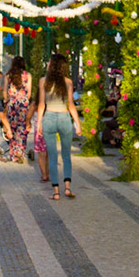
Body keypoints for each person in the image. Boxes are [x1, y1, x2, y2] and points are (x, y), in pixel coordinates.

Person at [35, 52, 83, 200]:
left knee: (53, 156)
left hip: (49, 117)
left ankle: (56, 192)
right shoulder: (68, 82)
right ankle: (67, 188)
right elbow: (71, 105)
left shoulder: (43, 81)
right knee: (66, 155)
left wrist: (38, 125)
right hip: (64, 117)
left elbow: (41, 103)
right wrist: (78, 124)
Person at [3, 56, 33, 164]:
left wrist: (7, 101)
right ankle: (20, 152)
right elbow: (29, 93)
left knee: (12, 128)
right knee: (22, 128)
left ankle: (13, 153)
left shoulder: (8, 76)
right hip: (23, 104)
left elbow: (5, 92)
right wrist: (24, 100)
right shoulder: (28, 76)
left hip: (12, 104)